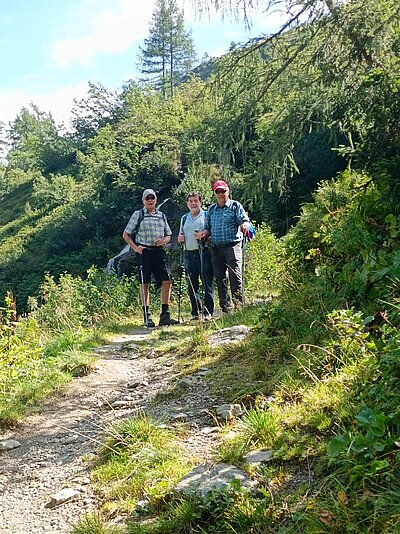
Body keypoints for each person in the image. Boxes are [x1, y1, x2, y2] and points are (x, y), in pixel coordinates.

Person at [122, 188, 178, 328]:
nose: (150, 200)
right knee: (144, 282)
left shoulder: (161, 215)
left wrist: (164, 241)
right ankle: (146, 316)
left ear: (156, 199)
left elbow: (169, 234)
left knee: (167, 280)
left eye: (152, 198)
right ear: (143, 201)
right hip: (144, 252)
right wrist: (135, 248)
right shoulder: (138, 214)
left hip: (159, 251)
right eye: (147, 198)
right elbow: (126, 234)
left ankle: (165, 315)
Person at [201, 179, 250, 313]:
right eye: (218, 191)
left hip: (233, 246)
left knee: (235, 275)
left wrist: (245, 225)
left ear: (228, 191)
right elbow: (207, 227)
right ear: (215, 193)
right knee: (220, 278)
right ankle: (225, 308)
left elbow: (244, 220)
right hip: (216, 248)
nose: (221, 193)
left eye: (223, 191)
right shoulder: (211, 209)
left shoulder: (235, 206)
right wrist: (204, 234)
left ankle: (239, 306)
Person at [178, 192, 214, 321]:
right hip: (188, 253)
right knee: (192, 284)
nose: (193, 203)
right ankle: (196, 312)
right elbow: (180, 236)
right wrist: (180, 238)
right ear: (187, 204)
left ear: (200, 202)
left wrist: (204, 235)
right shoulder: (184, 218)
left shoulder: (206, 216)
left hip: (203, 251)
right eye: (191, 201)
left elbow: (210, 232)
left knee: (206, 282)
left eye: (196, 201)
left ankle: (208, 312)